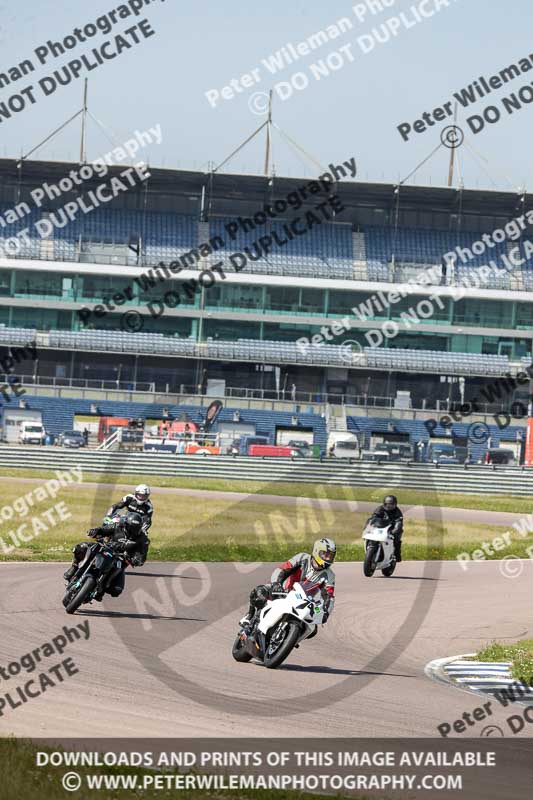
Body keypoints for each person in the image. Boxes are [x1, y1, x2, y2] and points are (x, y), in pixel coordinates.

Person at [241, 538, 337, 631]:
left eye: (331, 556)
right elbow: (282, 570)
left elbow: (329, 597)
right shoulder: (302, 558)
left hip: (303, 603)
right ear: (316, 551)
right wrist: (276, 584)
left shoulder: (330, 576)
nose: (328, 558)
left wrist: (326, 613)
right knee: (260, 592)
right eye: (325, 554)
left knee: (312, 629)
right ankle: (250, 615)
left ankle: (290, 637)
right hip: (283, 592)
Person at [63, 512, 149, 598]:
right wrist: (95, 531)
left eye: (136, 528)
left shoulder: (143, 539)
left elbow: (142, 555)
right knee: (81, 547)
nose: (133, 531)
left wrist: (137, 559)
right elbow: (104, 529)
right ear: (126, 525)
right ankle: (74, 567)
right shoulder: (117, 526)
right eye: (131, 528)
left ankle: (100, 589)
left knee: (117, 590)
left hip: (121, 560)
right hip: (105, 549)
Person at [368, 495, 404, 562]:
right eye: (387, 504)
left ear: (395, 504)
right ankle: (370, 550)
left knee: (397, 540)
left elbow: (399, 522)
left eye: (391, 505)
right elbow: (374, 517)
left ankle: (397, 555)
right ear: (384, 504)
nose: (389, 506)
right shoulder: (380, 509)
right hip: (381, 527)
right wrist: (371, 524)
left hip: (392, 529)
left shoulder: (398, 512)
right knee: (370, 536)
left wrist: (395, 530)